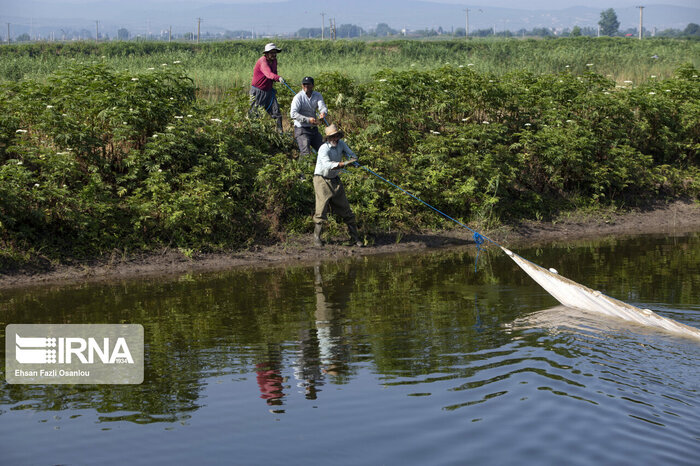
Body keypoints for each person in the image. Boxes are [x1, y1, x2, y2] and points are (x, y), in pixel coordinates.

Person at [312, 124, 363, 248]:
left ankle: (355, 238)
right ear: (328, 138)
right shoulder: (323, 149)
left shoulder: (341, 144)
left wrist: (353, 160)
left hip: (335, 179)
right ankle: (316, 239)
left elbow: (351, 154)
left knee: (346, 209)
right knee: (321, 209)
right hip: (321, 180)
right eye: (333, 137)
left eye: (337, 136)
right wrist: (341, 164)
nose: (335, 139)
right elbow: (326, 165)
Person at [249, 43, 285, 132]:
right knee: (255, 115)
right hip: (258, 91)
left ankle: (280, 134)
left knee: (276, 113)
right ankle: (254, 133)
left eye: (275, 52)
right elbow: (268, 74)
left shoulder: (274, 61)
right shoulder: (263, 61)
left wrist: (276, 78)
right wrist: (278, 78)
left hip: (269, 91)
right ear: (266, 54)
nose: (274, 55)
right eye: (271, 53)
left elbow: (274, 72)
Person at [290, 76, 328, 158]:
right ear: (302, 86)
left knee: (324, 150)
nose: (306, 86)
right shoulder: (298, 97)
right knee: (306, 153)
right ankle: (302, 170)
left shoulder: (317, 95)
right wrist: (308, 120)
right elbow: (293, 114)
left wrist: (323, 113)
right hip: (302, 129)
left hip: (313, 130)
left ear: (312, 85)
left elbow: (322, 107)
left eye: (308, 84)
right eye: (304, 84)